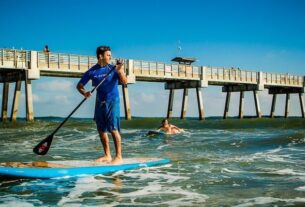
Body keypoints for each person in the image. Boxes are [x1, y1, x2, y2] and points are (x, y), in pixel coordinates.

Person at [77, 46, 127, 164]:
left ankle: (119, 156)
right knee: (101, 130)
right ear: (100, 56)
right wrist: (85, 93)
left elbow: (124, 82)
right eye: (108, 55)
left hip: (112, 101)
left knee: (113, 129)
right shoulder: (92, 71)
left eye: (110, 55)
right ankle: (107, 155)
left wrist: (120, 71)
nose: (111, 57)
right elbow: (79, 85)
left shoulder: (114, 68)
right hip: (99, 102)